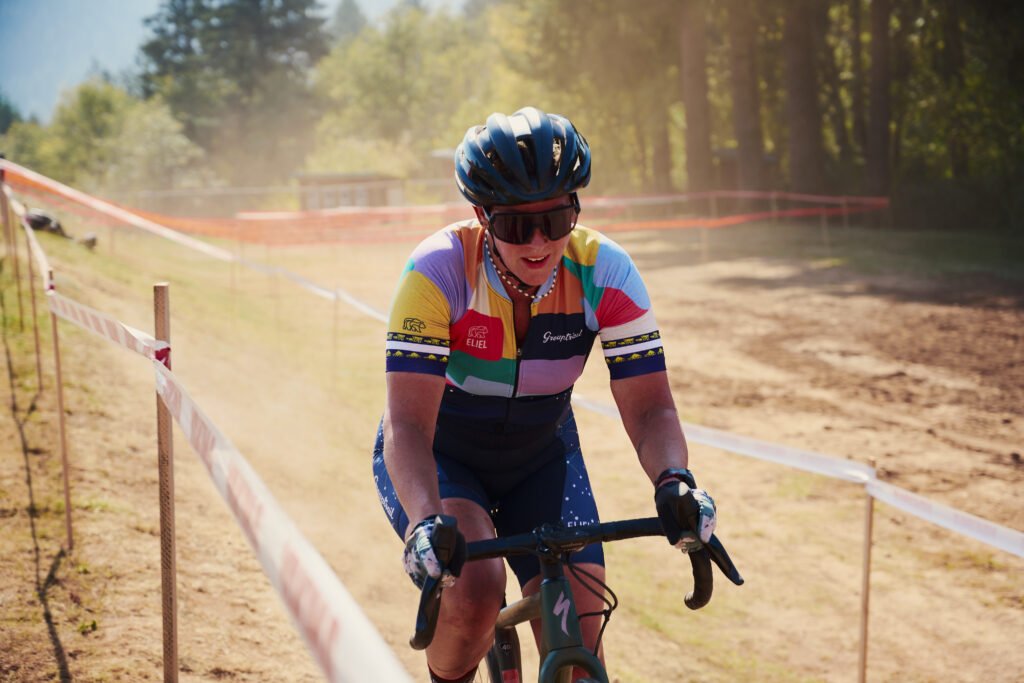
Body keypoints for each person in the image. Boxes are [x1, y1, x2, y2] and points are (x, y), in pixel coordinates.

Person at [373, 107, 719, 683]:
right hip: (444, 454)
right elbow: (407, 425)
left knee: (581, 636)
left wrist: (674, 480)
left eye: (556, 220)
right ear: (482, 216)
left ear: (576, 210)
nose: (538, 242)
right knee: (474, 592)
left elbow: (651, 407)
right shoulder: (438, 270)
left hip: (541, 457)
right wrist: (425, 522)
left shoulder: (605, 270)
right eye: (515, 226)